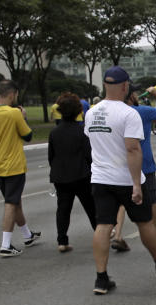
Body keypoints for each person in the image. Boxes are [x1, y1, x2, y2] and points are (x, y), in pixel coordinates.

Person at [84, 65, 156, 294]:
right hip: (125, 179)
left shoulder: (92, 112)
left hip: (100, 178)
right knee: (144, 222)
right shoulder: (129, 113)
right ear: (125, 86)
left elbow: (93, 143)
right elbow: (132, 150)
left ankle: (101, 278)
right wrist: (137, 184)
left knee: (103, 225)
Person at [0, 79, 39, 257]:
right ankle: (5, 244)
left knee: (14, 200)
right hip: (14, 165)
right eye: (16, 95)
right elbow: (28, 136)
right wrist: (23, 116)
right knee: (11, 202)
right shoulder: (14, 114)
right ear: (12, 94)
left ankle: (27, 235)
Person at [112, 84, 156, 251]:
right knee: (151, 199)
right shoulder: (142, 111)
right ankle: (154, 233)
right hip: (144, 163)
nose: (137, 94)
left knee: (123, 202)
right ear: (130, 96)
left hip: (124, 163)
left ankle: (117, 235)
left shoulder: (118, 113)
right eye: (135, 93)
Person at [48, 91, 97, 252]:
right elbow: (89, 155)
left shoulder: (54, 132)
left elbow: (51, 156)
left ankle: (62, 241)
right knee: (91, 207)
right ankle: (100, 234)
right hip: (81, 175)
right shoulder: (82, 131)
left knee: (63, 209)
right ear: (78, 111)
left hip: (60, 176)